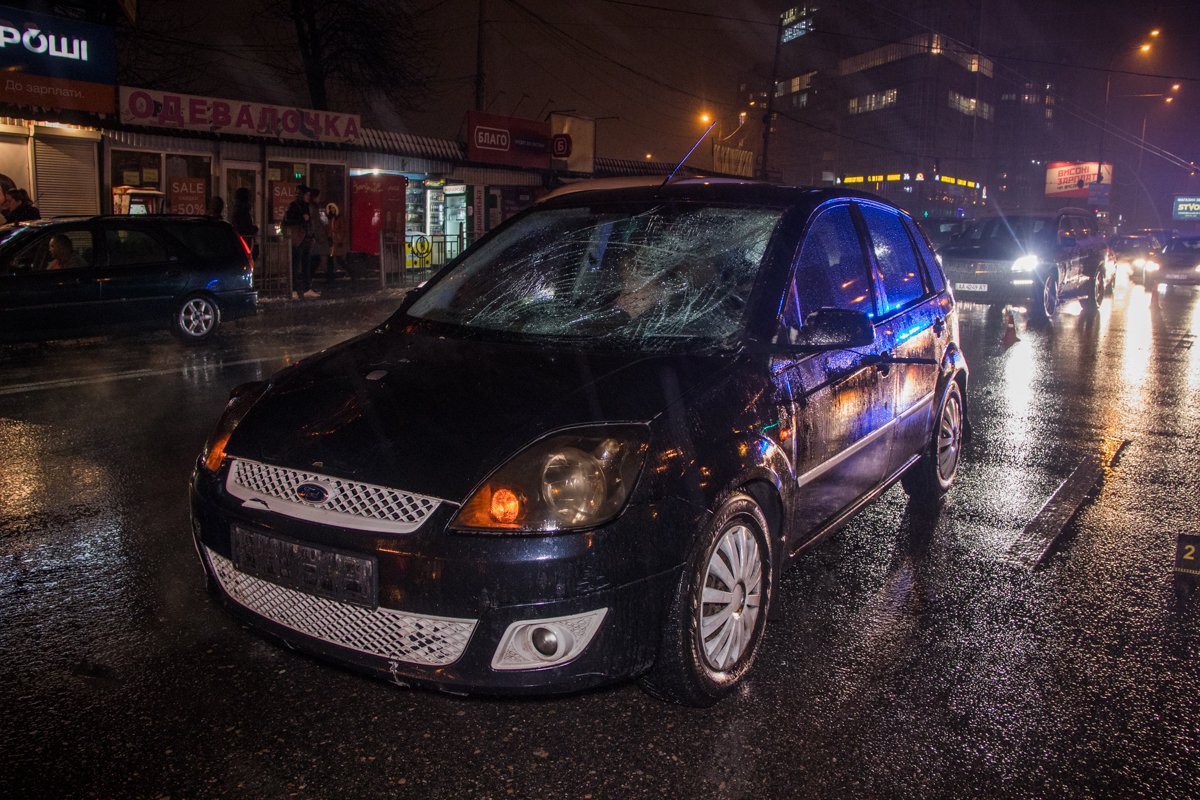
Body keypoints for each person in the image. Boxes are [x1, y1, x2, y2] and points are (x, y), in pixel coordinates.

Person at [283, 184, 318, 299]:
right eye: (307, 194)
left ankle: (306, 288)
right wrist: (302, 218)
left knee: (305, 264)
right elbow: (288, 221)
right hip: (298, 239)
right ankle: (293, 290)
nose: (308, 197)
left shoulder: (306, 206)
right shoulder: (294, 205)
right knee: (296, 265)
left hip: (306, 238)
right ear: (302, 195)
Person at [308, 187, 331, 286]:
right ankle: (327, 278)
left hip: (318, 237)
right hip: (318, 238)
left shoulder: (316, 208)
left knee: (317, 259)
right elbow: (316, 223)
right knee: (319, 259)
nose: (319, 199)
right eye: (318, 197)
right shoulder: (313, 208)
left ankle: (310, 278)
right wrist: (317, 236)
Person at [231, 187, 259, 258]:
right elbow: (244, 227)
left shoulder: (239, 210)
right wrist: (254, 229)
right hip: (243, 242)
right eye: (249, 197)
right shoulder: (242, 211)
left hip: (242, 241)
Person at [325, 202, 348, 282]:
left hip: (337, 241)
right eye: (331, 208)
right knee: (331, 258)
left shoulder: (339, 218)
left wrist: (340, 239)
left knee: (338, 259)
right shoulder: (329, 218)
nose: (332, 210)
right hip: (331, 241)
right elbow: (328, 229)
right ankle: (330, 277)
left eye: (333, 208)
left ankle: (351, 272)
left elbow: (343, 229)